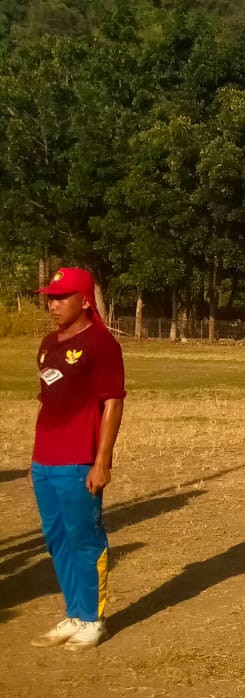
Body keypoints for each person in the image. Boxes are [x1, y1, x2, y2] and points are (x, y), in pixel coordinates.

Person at [29, 267, 125, 653]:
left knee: (85, 538)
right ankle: (74, 613)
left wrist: (102, 461)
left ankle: (93, 620)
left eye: (62, 297)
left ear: (85, 300)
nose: (53, 304)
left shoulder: (102, 344)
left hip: (78, 461)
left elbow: (113, 403)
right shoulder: (49, 342)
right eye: (50, 297)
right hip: (45, 460)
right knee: (57, 539)